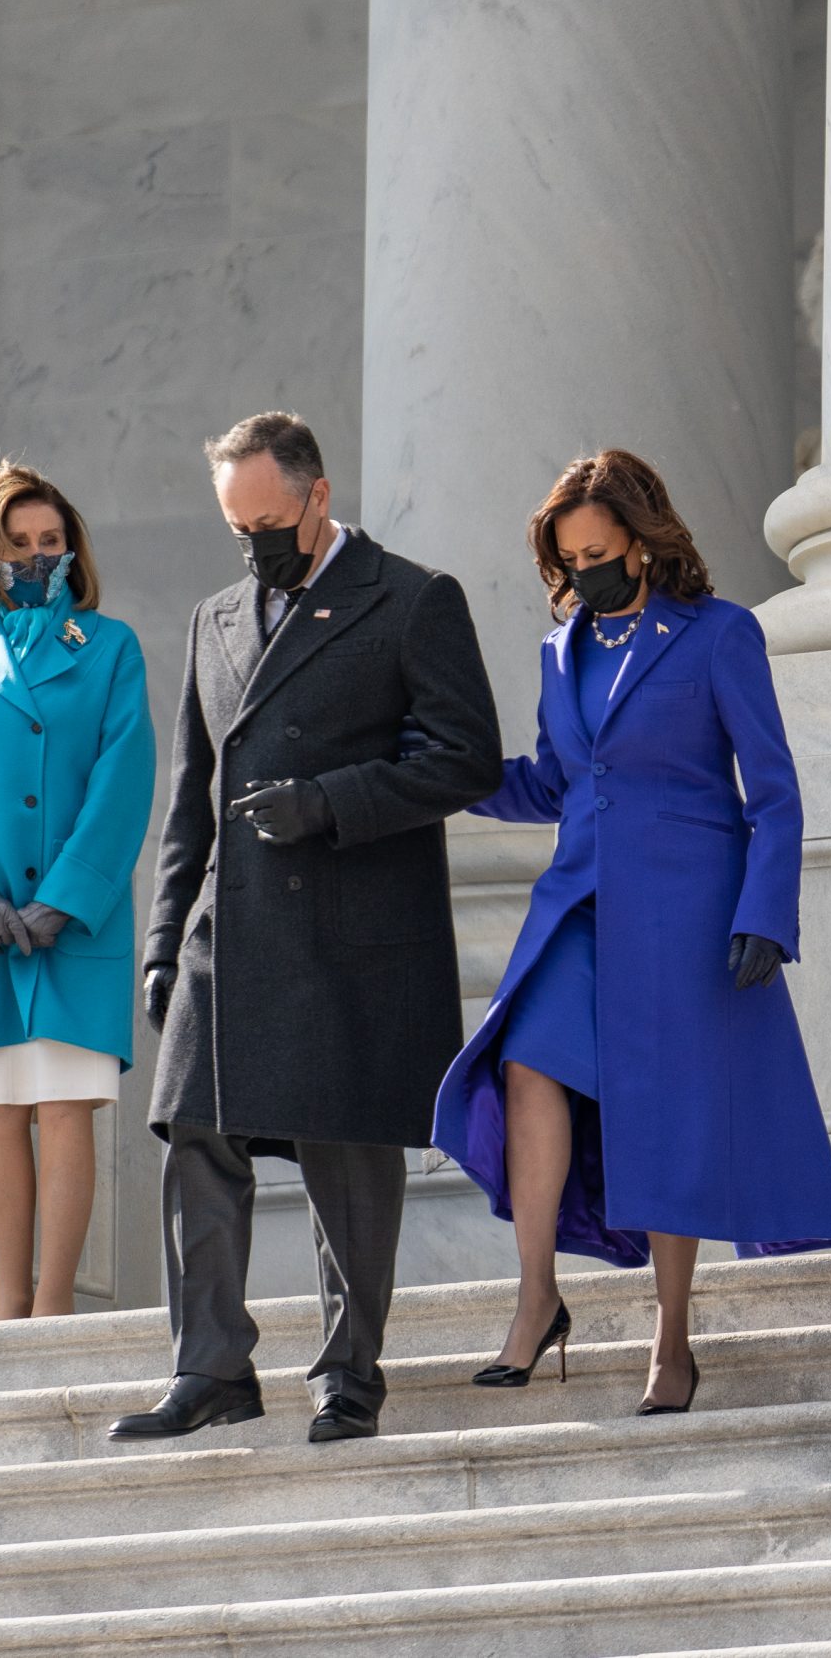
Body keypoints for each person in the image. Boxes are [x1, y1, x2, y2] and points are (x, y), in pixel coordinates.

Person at [431, 450, 831, 1417]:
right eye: (570, 558)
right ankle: (537, 1295)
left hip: (685, 907)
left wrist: (765, 913)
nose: (585, 573)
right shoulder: (559, 650)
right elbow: (555, 780)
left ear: (644, 543)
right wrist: (450, 776)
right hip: (576, 902)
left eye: (600, 552)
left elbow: (775, 791)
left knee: (666, 1113)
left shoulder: (719, 637)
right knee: (527, 1063)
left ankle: (672, 1338)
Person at [112, 412, 501, 1446]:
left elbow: (468, 757)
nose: (254, 548)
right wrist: (160, 942)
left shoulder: (411, 600)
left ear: (318, 496)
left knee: (345, 1155)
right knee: (193, 1133)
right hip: (223, 935)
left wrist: (332, 801)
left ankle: (349, 1373)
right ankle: (210, 1366)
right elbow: (188, 796)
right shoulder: (214, 619)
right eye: (237, 530)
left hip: (351, 930)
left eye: (270, 523)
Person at [0, 463, 154, 1320]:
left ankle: (54, 1307)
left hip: (75, 922)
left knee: (63, 1106)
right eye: (19, 544)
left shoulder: (112, 647)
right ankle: (6, 1309)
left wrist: (65, 896)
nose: (37, 556)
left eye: (51, 542)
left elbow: (125, 783)